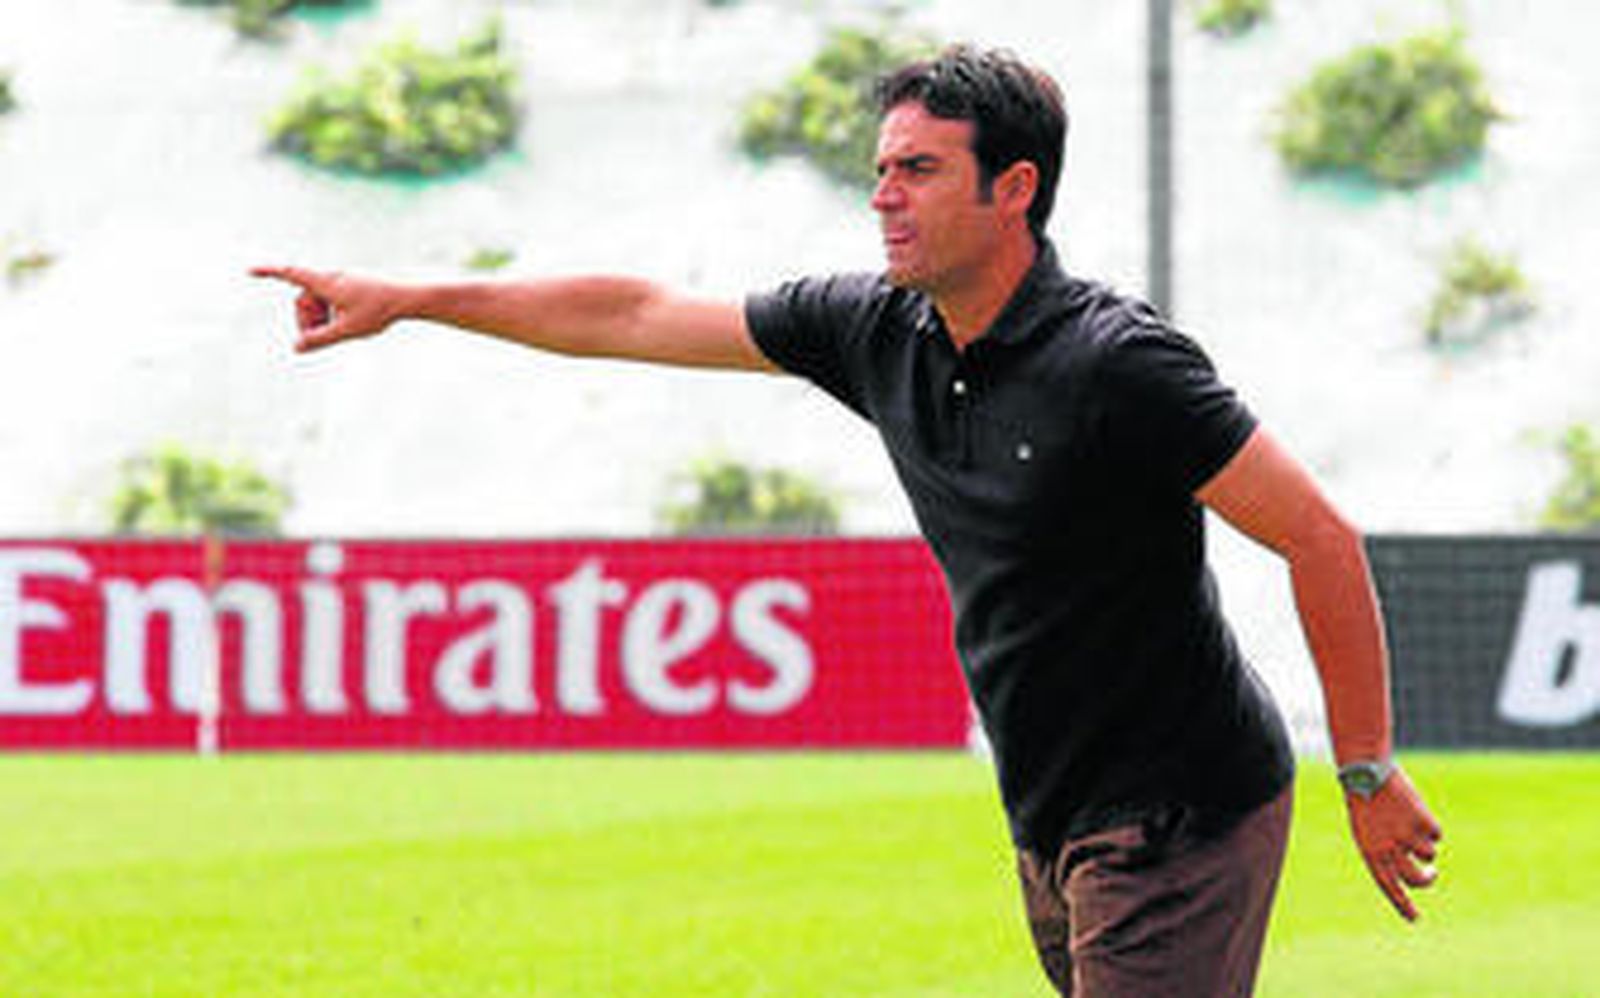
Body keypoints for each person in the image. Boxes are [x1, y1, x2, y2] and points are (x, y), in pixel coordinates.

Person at [254, 45, 1442, 997]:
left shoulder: (1118, 364)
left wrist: (1367, 765)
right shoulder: (875, 328)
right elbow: (631, 312)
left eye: (918, 170)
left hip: (1180, 815)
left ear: (1013, 187)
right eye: (881, 169)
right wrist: (413, 297)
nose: (881, 197)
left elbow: (1317, 536)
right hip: (1051, 811)